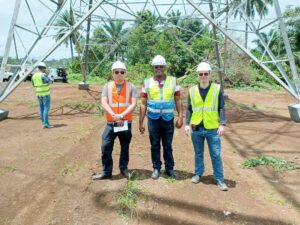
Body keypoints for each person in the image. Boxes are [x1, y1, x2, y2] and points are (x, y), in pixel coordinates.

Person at [185, 62, 228, 191]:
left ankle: (219, 179)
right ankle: (198, 173)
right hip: (196, 127)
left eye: (205, 74)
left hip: (212, 128)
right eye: (201, 74)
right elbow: (189, 109)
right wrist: (186, 124)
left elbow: (221, 107)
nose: (203, 76)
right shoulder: (192, 90)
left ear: (209, 74)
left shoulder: (216, 89)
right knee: (198, 153)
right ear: (198, 75)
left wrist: (222, 124)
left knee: (215, 154)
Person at [139, 55, 183, 179]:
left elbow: (178, 100)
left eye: (161, 66)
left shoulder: (174, 81)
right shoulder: (147, 82)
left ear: (165, 67)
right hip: (153, 119)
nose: (159, 68)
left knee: (168, 145)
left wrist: (180, 117)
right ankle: (156, 168)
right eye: (156, 66)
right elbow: (143, 103)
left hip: (168, 119)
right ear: (153, 68)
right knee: (154, 145)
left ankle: (169, 168)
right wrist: (141, 122)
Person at [93, 61, 137, 180]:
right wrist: (112, 114)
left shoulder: (131, 86)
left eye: (122, 72)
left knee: (125, 147)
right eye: (116, 72)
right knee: (106, 146)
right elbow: (103, 102)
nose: (119, 74)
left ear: (125, 73)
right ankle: (107, 171)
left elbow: (133, 103)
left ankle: (124, 168)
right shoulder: (107, 87)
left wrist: (122, 114)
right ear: (113, 73)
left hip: (125, 122)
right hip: (111, 123)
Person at [31, 62, 54, 129]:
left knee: (41, 108)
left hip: (38, 94)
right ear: (44, 68)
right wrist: (48, 74)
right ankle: (46, 124)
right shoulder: (43, 75)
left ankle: (43, 123)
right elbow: (51, 81)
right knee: (46, 109)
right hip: (45, 94)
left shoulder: (34, 76)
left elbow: (33, 85)